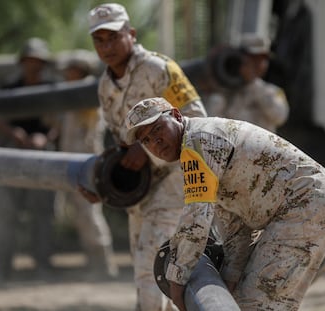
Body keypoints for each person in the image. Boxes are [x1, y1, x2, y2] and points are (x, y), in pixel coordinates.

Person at [124, 97, 325, 311]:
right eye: (146, 140)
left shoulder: (197, 143)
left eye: (158, 129)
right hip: (306, 207)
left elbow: (196, 221)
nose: (156, 142)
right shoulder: (200, 143)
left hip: (304, 208)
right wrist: (230, 279)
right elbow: (236, 227)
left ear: (175, 116)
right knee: (253, 301)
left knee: (256, 304)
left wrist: (177, 280)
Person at [79, 3, 207, 310]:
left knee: (151, 255)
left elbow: (196, 120)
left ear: (131, 34)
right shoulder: (106, 86)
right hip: (141, 187)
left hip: (176, 177)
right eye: (99, 40)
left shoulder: (159, 69)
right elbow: (117, 143)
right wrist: (102, 183)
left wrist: (147, 148)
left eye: (113, 37)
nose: (106, 46)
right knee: (146, 262)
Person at [0, 37, 59, 278]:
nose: (33, 65)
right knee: (6, 210)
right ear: (23, 62)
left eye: (38, 61)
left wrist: (45, 138)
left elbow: (59, 120)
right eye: (30, 60)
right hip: (12, 152)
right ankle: (3, 266)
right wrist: (14, 133)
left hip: (42, 154)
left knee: (43, 212)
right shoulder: (10, 86)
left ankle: (42, 264)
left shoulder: (52, 86)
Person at [58, 50, 118, 278]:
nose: (66, 74)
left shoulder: (89, 92)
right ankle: (95, 263)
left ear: (79, 70)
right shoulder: (73, 94)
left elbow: (90, 132)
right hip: (73, 160)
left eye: (70, 70)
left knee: (90, 213)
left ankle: (103, 264)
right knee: (82, 214)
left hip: (86, 161)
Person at [206, 33, 289, 133]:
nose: (258, 64)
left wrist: (253, 81)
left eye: (262, 59)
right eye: (253, 59)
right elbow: (210, 124)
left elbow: (280, 117)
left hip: (261, 147)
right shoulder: (224, 93)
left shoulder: (271, 92)